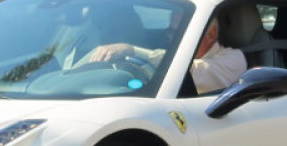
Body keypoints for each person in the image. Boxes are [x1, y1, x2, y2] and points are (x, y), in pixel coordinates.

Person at [88, 14, 246, 95]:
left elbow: (195, 71)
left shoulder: (235, 59)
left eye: (179, 32)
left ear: (210, 35)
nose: (172, 39)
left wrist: (133, 51)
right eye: (171, 32)